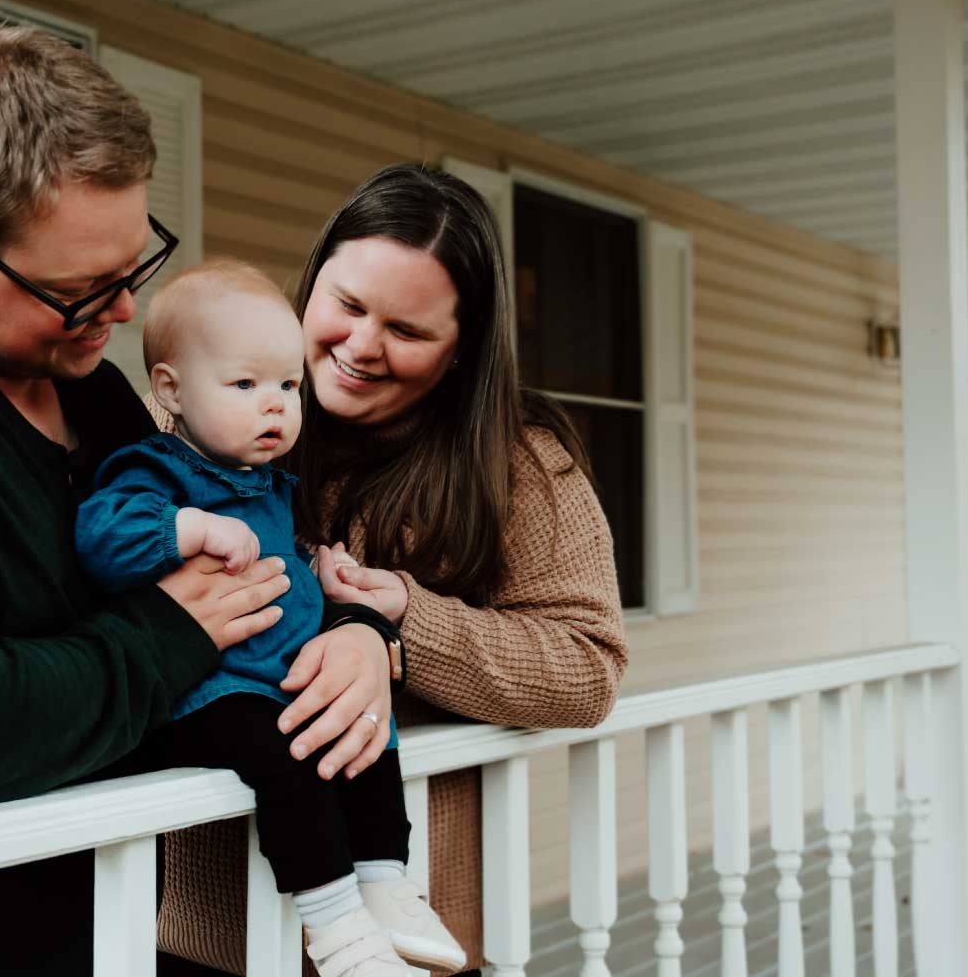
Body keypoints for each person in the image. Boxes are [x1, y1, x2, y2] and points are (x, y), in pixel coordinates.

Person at [0, 22, 401, 976]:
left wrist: (357, 628)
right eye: (80, 290)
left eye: (134, 267)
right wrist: (170, 631)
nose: (120, 314)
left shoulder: (92, 390)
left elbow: (258, 540)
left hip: (111, 911)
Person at [155, 164, 629, 975]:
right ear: (313, 286)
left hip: (413, 930)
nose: (361, 347)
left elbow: (587, 666)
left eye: (407, 332)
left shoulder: (518, 463)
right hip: (214, 925)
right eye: (345, 305)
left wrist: (398, 636)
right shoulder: (212, 421)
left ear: (460, 351)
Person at [76, 263, 465, 976]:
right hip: (212, 691)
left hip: (281, 674)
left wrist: (324, 572)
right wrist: (185, 529)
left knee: (367, 730)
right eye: (245, 385)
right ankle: (339, 930)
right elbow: (100, 538)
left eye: (289, 386)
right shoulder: (156, 471)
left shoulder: (272, 485)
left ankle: (385, 882)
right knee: (290, 767)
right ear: (171, 390)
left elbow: (283, 552)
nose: (276, 407)